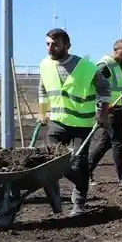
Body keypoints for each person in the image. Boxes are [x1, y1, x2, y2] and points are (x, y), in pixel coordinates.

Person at [37, 28, 110, 216]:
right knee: (49, 162)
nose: (50, 48)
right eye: (47, 44)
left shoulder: (86, 67)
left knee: (79, 163)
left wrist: (102, 114)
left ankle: (79, 203)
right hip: (58, 122)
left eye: (55, 44)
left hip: (82, 124)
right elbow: (43, 90)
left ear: (67, 46)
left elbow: (104, 89)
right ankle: (56, 203)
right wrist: (41, 113)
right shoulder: (44, 65)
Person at [88, 39, 122, 188]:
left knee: (106, 143)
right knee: (119, 141)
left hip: (118, 110)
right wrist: (102, 107)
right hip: (108, 110)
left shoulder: (121, 65)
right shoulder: (105, 65)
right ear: (115, 49)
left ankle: (86, 171)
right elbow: (94, 85)